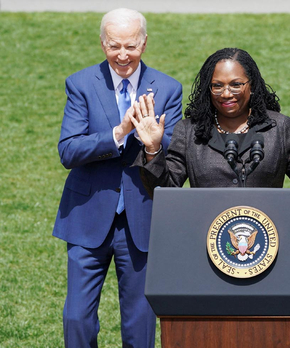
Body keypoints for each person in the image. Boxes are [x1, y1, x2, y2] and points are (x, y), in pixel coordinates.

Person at [52, 8, 183, 347]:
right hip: (87, 216)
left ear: (144, 43)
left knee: (140, 323)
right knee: (77, 318)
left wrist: (153, 139)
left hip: (142, 217)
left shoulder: (169, 89)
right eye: (114, 46)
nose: (122, 55)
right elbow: (68, 150)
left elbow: (178, 155)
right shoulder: (81, 83)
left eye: (131, 46)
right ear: (102, 43)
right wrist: (119, 132)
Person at [131, 47, 290, 192]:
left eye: (236, 84)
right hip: (207, 239)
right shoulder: (189, 131)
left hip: (266, 240)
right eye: (217, 85)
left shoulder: (279, 127)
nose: (226, 93)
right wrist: (152, 149)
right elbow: (164, 190)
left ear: (251, 86)